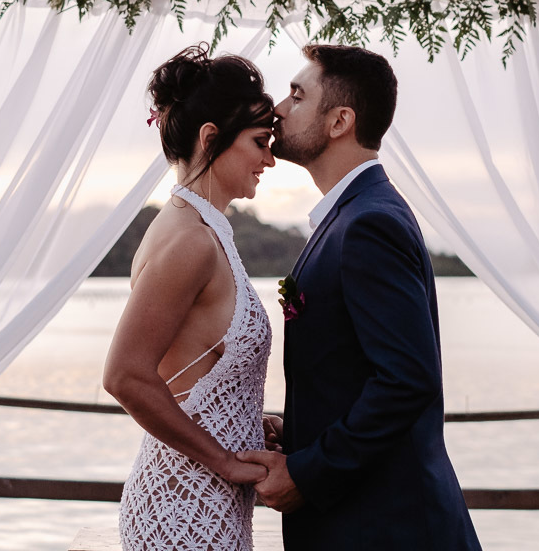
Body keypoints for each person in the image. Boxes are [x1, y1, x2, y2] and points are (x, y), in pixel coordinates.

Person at [239, 44, 482, 550]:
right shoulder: (351, 216)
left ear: (339, 121)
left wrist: (306, 472)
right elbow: (355, 368)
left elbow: (405, 380)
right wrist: (299, 426)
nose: (279, 110)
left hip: (388, 528)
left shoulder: (368, 224)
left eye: (297, 96)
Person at [104, 44, 276, 551]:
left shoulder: (205, 230)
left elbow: (189, 375)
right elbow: (125, 376)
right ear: (210, 138)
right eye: (260, 141)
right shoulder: (189, 241)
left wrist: (246, 420)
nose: (270, 158)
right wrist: (224, 459)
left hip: (206, 500)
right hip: (184, 510)